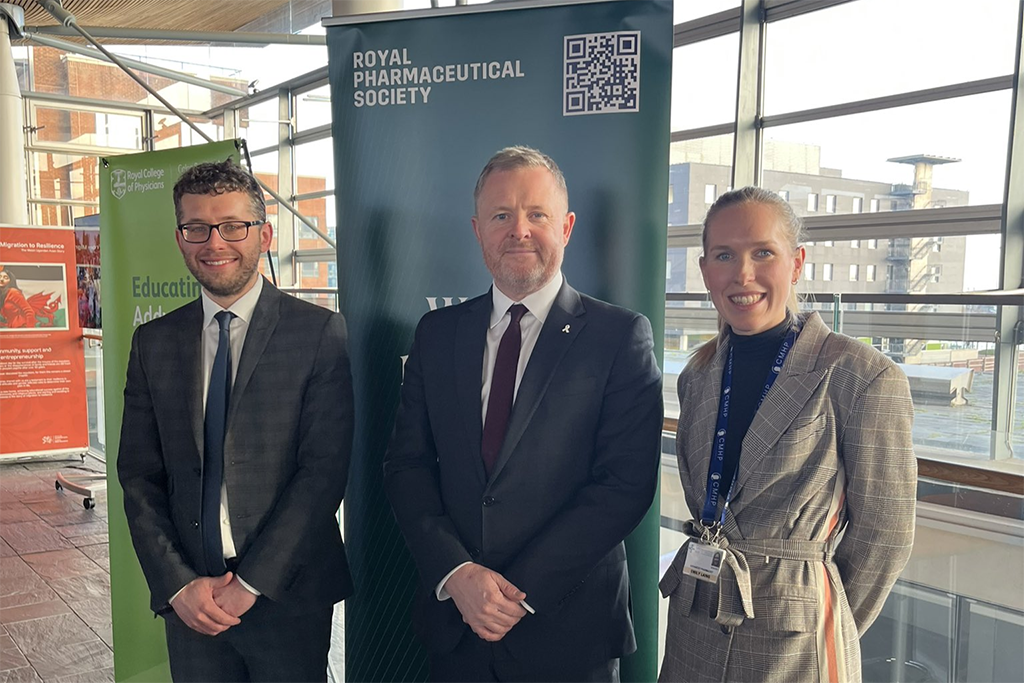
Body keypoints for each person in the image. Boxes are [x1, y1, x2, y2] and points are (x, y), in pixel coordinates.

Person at [383, 146, 663, 683]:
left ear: (567, 226)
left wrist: (516, 592)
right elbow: (407, 466)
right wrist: (459, 575)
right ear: (477, 229)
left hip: (568, 628)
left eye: (537, 214)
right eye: (501, 215)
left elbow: (624, 485)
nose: (520, 230)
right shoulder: (437, 334)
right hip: (456, 621)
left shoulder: (619, 336)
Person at [659, 187, 917, 683]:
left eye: (763, 253)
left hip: (796, 641)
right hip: (695, 621)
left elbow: (884, 536)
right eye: (724, 256)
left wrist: (820, 614)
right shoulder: (699, 375)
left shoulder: (860, 376)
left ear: (796, 263)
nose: (743, 274)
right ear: (705, 269)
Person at [117, 160, 354, 683]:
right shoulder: (153, 344)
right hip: (192, 602)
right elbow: (138, 476)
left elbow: (322, 475)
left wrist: (249, 584)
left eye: (232, 226)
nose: (214, 242)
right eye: (196, 227)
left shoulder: (319, 334)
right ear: (180, 238)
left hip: (287, 592)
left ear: (264, 235)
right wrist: (178, 584)